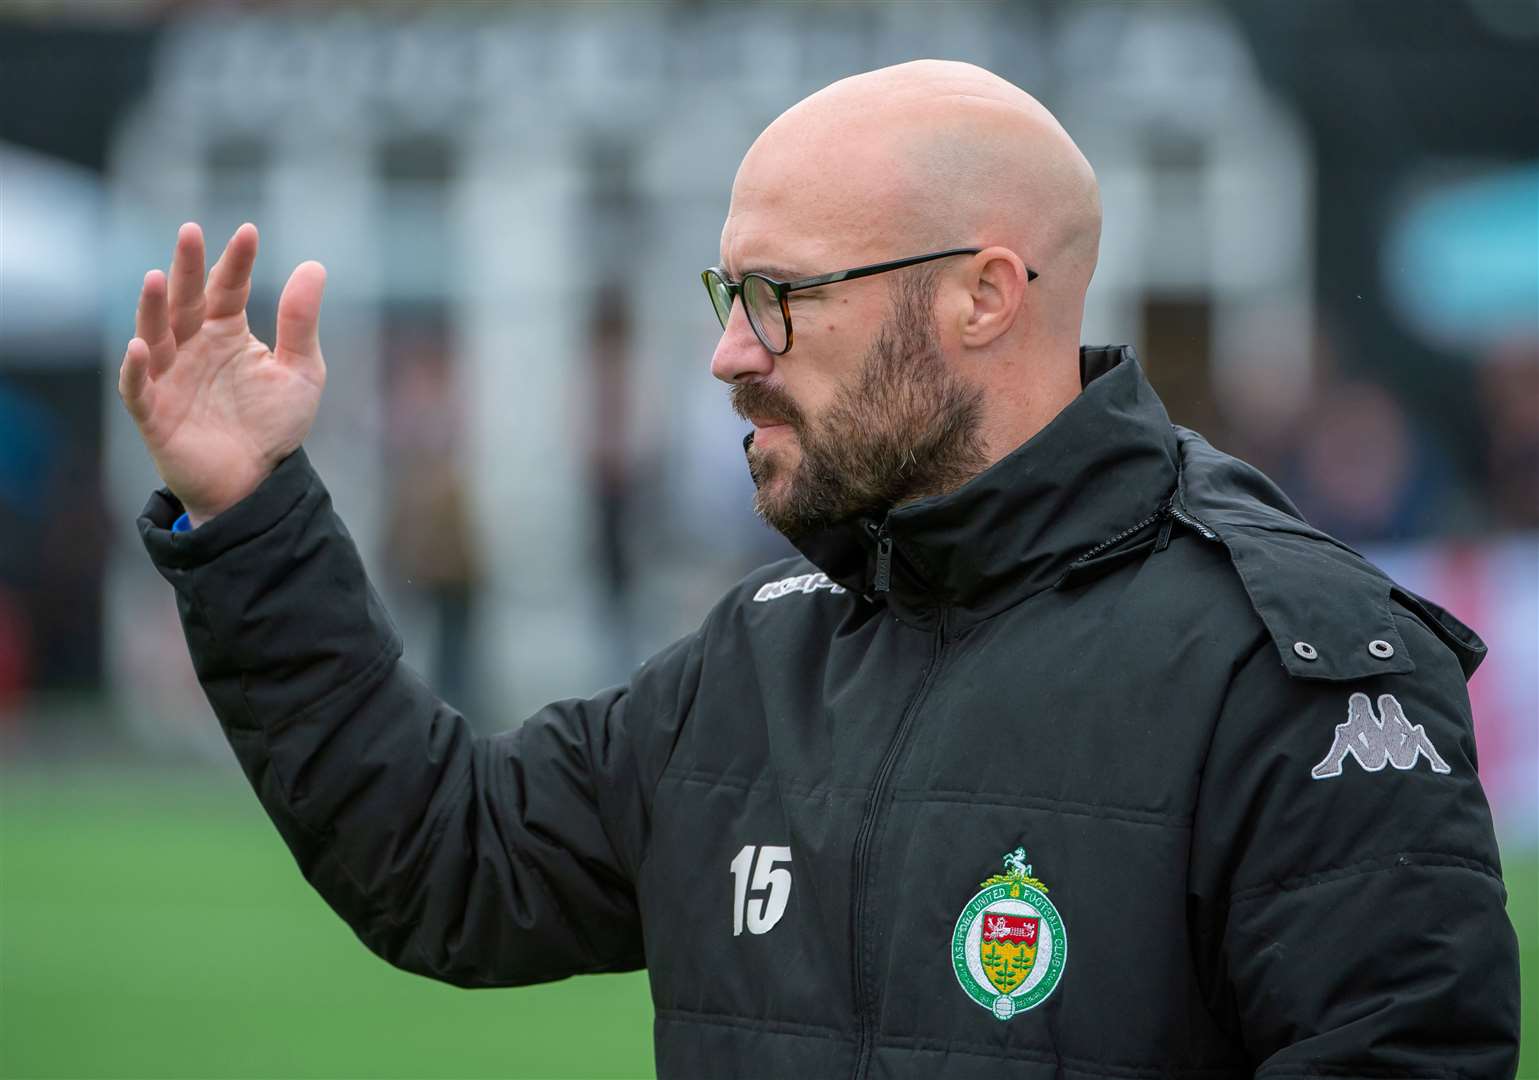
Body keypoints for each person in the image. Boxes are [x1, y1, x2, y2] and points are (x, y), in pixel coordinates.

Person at [120, 61, 1519, 1078]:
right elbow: (448, 862)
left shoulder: (1294, 662)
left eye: (783, 299)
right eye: (732, 297)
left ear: (983, 293)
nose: (730, 354)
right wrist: (249, 513)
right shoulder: (764, 653)